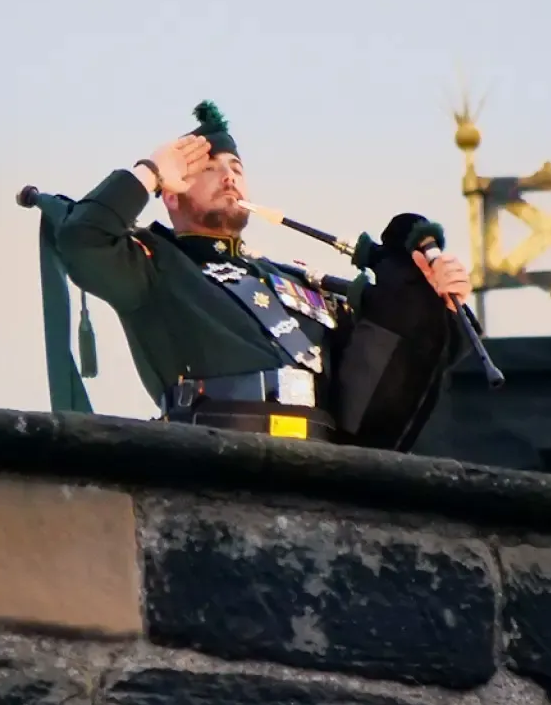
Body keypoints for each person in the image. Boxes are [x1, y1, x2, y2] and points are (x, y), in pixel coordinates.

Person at [50, 100, 474, 452]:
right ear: (172, 194)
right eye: (207, 169)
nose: (228, 176)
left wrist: (434, 297)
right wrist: (150, 170)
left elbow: (401, 357)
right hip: (214, 459)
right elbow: (81, 240)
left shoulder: (295, 283)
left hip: (324, 467)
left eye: (236, 167)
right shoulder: (155, 268)